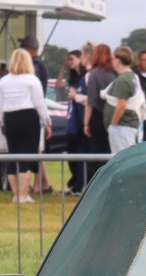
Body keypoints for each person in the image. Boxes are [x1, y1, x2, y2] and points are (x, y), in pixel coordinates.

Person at [0, 47, 50, 203]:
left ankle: (15, 194)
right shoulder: (32, 80)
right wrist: (47, 120)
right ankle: (23, 195)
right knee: (27, 156)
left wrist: (0, 121)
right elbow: (39, 103)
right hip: (28, 118)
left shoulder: (3, 81)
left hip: (10, 118)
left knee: (13, 155)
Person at [19, 35, 53, 194]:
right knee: (38, 150)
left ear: (29, 49)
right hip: (37, 112)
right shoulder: (40, 63)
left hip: (33, 112)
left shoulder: (36, 65)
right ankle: (44, 184)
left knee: (37, 151)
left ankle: (39, 185)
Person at [81, 43, 115, 186]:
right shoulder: (114, 74)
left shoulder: (94, 74)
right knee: (109, 150)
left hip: (97, 116)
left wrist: (86, 123)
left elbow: (91, 101)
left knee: (96, 151)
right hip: (113, 116)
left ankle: (95, 183)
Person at [103, 47, 144, 154]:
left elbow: (121, 105)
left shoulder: (122, 80)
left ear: (118, 60)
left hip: (122, 128)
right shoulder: (132, 76)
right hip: (127, 127)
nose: (112, 61)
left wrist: (113, 125)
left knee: (122, 160)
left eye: (113, 58)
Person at [62, 50, 86, 193]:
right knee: (71, 152)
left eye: (72, 59)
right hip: (72, 121)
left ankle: (78, 184)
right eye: (68, 60)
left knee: (81, 153)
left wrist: (75, 96)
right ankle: (74, 181)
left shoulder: (85, 77)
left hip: (81, 120)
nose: (70, 62)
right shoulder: (72, 77)